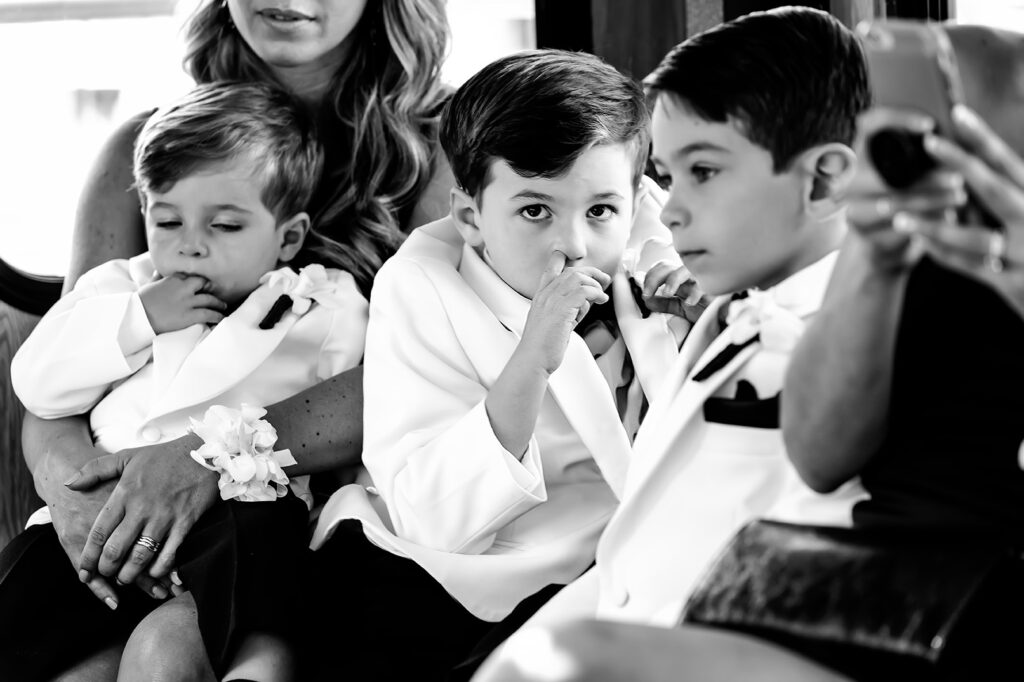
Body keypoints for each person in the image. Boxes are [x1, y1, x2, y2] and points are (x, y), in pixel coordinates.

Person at [475, 19, 1024, 682]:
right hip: (820, 606)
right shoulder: (871, 266)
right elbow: (819, 454)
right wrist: (873, 259)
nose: (671, 210)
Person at [16, 0, 451, 667]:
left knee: (171, 652)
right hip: (115, 511)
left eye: (224, 225)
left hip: (301, 517)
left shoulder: (442, 149)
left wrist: (205, 458)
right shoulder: (148, 148)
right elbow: (59, 389)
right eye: (169, 224)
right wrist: (87, 505)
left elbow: (429, 378)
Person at [304, 48, 684, 681]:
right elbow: (432, 515)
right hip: (472, 570)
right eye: (535, 210)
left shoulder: (657, 251)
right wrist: (533, 357)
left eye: (600, 211)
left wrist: (704, 323)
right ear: (471, 217)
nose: (574, 245)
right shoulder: (423, 286)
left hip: (627, 549)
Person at [1, 80, 369, 681]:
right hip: (99, 519)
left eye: (225, 227)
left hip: (236, 518)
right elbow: (38, 384)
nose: (190, 247)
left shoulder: (321, 306)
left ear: (289, 237)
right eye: (167, 221)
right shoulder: (117, 289)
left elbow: (367, 408)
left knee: (185, 640)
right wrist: (140, 318)